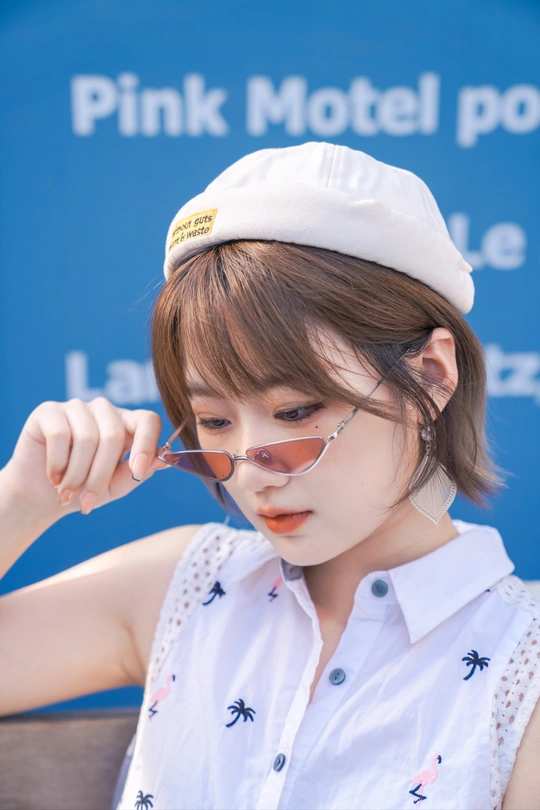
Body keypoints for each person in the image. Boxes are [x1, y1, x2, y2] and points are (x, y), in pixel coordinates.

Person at [1, 142, 538, 810]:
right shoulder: (184, 588)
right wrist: (22, 499)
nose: (253, 470)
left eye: (296, 411)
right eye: (214, 420)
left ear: (430, 376)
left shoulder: (520, 664)